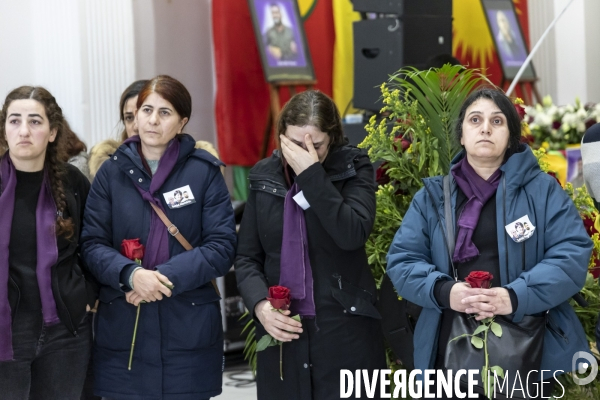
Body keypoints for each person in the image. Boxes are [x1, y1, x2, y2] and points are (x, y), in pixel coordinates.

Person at [387, 88, 593, 398]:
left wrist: (514, 296)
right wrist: (445, 291)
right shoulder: (432, 197)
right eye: (475, 120)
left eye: (497, 121)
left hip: (531, 348)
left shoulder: (542, 191)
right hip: (451, 348)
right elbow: (402, 262)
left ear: (511, 137)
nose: (485, 128)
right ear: (461, 135)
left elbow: (572, 256)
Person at [81, 75, 236, 399]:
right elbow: (92, 244)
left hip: (188, 326)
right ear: (134, 116)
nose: (152, 120)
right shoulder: (110, 173)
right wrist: (130, 274)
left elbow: (221, 247)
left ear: (182, 122)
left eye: (164, 113)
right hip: (124, 326)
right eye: (146, 110)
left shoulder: (204, 172)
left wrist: (161, 278)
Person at [235, 90, 386, 400]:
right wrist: (260, 306)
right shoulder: (264, 175)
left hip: (343, 328)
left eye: (315, 145)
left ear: (332, 138)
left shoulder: (353, 166)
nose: (304, 152)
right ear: (279, 137)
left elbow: (352, 233)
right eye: (293, 143)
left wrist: (312, 174)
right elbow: (248, 257)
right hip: (282, 328)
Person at [0, 86, 96, 399]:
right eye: (14, 121)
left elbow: (94, 244)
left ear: (53, 132)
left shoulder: (72, 181)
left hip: (65, 330)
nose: (24, 131)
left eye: (35, 122)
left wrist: (88, 294)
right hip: (7, 330)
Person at [88, 79, 148, 180]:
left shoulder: (181, 163)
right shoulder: (109, 165)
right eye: (129, 118)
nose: (136, 126)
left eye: (143, 116)